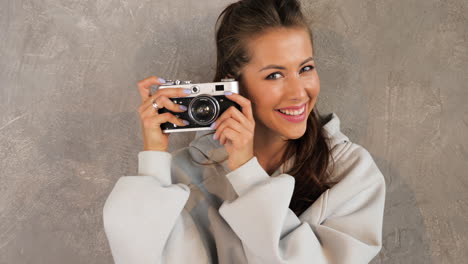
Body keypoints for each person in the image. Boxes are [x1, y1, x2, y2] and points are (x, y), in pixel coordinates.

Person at [102, 0, 386, 263]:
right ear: (233, 84)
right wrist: (153, 159)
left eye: (306, 68)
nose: (299, 92)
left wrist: (247, 175)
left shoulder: (352, 172)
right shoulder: (186, 173)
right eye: (274, 75)